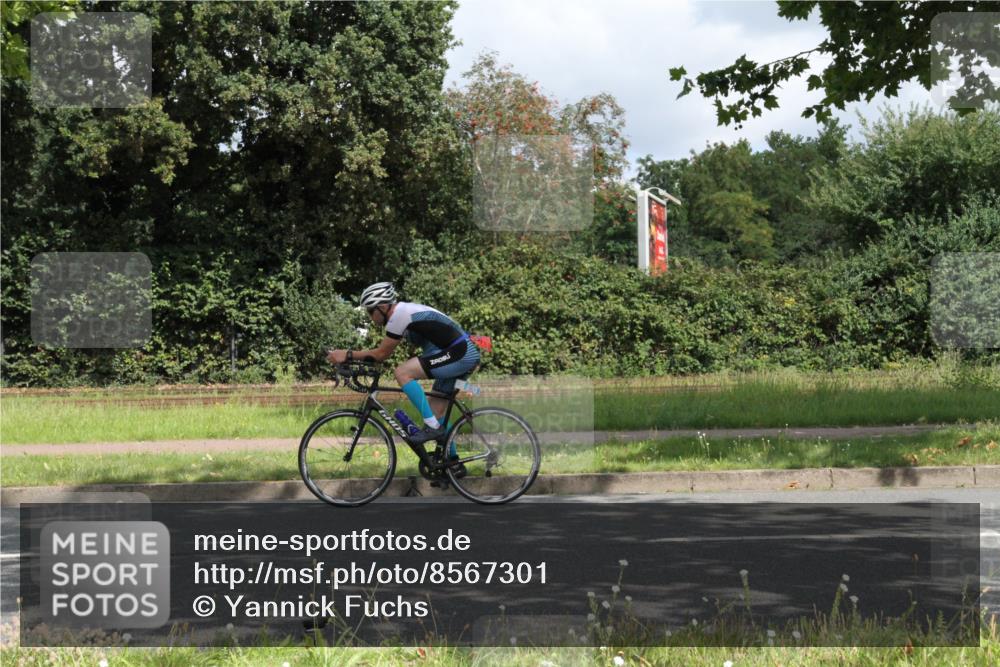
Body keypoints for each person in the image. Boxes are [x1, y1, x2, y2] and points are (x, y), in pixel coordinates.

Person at [327, 282, 480, 449]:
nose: (370, 317)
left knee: (402, 373)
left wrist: (347, 354)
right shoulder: (405, 313)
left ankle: (431, 428)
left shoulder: (400, 315)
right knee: (435, 412)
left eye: (371, 311)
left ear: (383, 307)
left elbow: (381, 355)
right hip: (458, 352)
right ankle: (452, 465)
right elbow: (382, 354)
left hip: (461, 353)